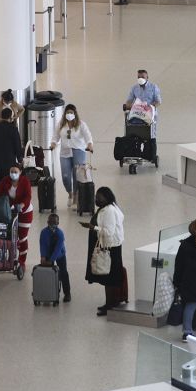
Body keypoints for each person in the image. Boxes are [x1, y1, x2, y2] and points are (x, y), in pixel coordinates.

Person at [85, 186, 127, 316]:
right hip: (112, 246)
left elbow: (108, 232)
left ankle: (110, 305)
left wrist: (94, 227)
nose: (96, 199)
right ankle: (113, 301)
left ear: (106, 198)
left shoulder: (109, 211)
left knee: (108, 277)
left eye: (99, 197)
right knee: (111, 276)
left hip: (110, 247)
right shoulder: (110, 207)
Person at [51, 103, 94, 201]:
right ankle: (70, 193)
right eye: (67, 112)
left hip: (78, 150)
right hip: (65, 152)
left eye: (71, 112)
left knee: (77, 174)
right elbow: (55, 136)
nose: (69, 114)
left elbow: (88, 136)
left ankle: (76, 195)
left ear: (75, 113)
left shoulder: (81, 124)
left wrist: (90, 144)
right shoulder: (61, 124)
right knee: (65, 176)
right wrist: (53, 143)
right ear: (65, 114)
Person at [0, 161, 34, 270]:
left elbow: (28, 197)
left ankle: (22, 261)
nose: (13, 174)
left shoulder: (25, 181)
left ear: (20, 172)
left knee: (22, 238)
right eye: (11, 172)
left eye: (15, 172)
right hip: (10, 212)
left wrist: (21, 205)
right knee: (11, 237)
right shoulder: (5, 181)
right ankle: (11, 258)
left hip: (25, 212)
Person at [39, 211, 71, 302]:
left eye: (55, 223)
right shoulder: (44, 232)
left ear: (58, 223)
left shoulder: (60, 234)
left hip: (60, 255)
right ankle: (49, 292)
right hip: (49, 253)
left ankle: (67, 293)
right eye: (50, 222)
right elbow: (43, 245)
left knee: (63, 272)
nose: (52, 224)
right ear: (47, 222)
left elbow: (58, 249)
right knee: (49, 273)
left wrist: (52, 260)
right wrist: (43, 257)